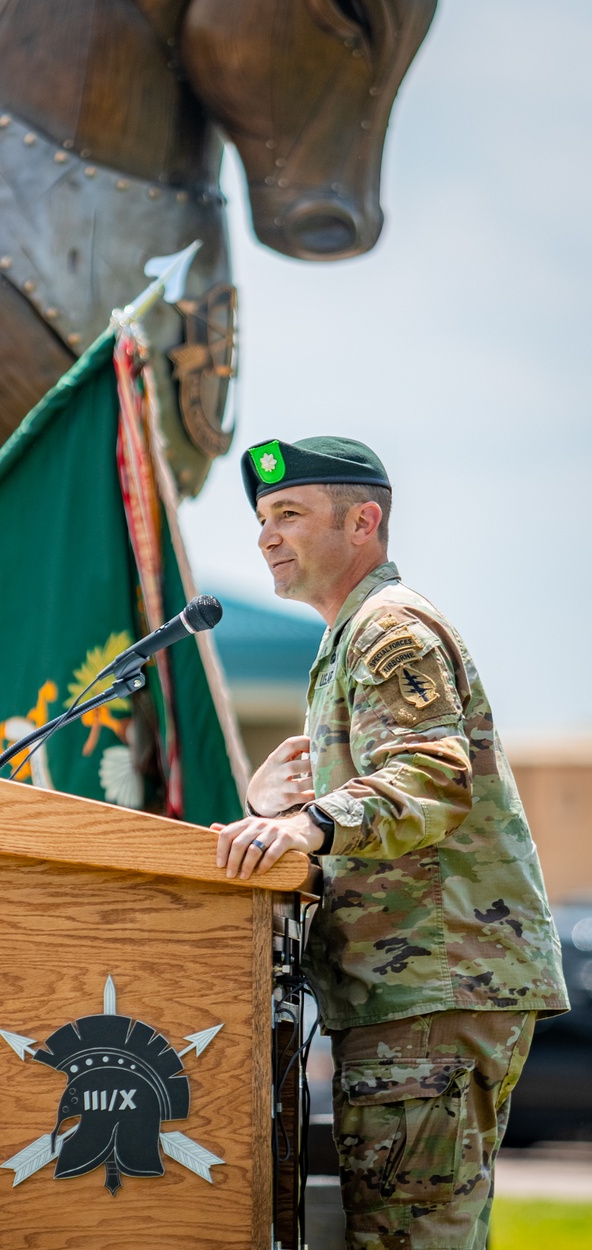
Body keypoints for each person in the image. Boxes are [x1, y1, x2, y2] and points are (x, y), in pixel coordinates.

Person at [213, 436, 568, 1250]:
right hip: (416, 991)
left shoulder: (389, 628)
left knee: (413, 1239)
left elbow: (432, 778)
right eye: (263, 518)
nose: (267, 535)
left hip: (436, 987)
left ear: (363, 521)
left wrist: (306, 823)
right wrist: (275, 804)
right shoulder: (351, 636)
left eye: (290, 514)